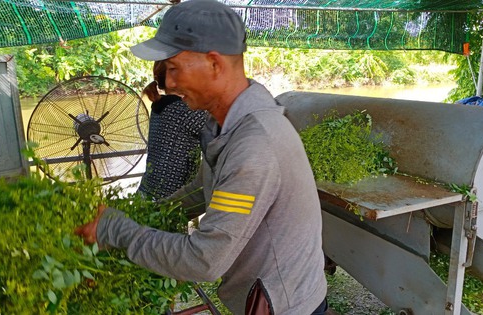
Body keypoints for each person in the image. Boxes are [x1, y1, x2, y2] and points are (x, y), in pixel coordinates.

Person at [75, 0, 329, 314]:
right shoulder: (221, 124)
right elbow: (201, 189)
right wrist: (143, 213)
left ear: (214, 63)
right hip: (262, 297)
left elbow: (204, 260)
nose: (168, 83)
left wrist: (116, 230)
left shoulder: (255, 145)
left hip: (285, 306)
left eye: (173, 68)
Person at [137, 60, 208, 200]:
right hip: (168, 200)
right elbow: (221, 131)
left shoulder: (161, 104)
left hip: (149, 192)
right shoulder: (183, 109)